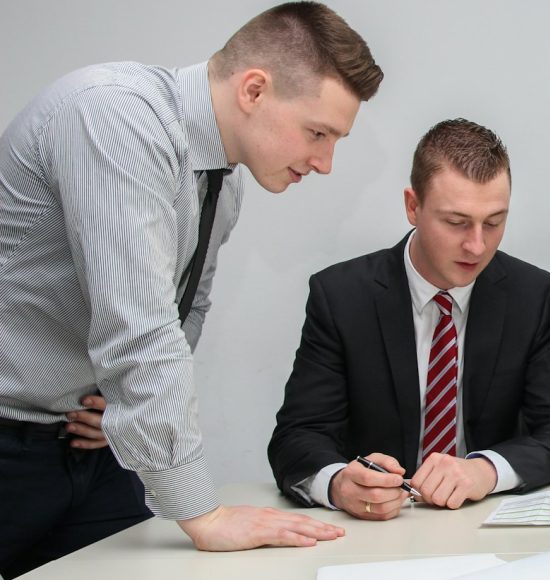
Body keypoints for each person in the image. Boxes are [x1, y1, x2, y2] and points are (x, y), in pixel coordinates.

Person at [0, 2, 384, 576]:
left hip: (89, 448)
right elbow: (139, 330)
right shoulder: (115, 115)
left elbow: (185, 309)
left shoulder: (223, 182)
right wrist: (203, 513)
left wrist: (122, 408)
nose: (325, 162)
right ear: (254, 90)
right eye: (318, 132)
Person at [268, 118, 550, 520]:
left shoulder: (533, 295)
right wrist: (339, 484)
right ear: (413, 206)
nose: (477, 245)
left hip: (485, 525)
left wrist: (485, 470)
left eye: (493, 222)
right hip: (376, 532)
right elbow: (297, 437)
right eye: (456, 222)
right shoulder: (341, 297)